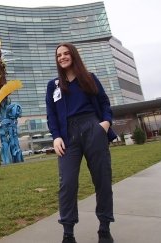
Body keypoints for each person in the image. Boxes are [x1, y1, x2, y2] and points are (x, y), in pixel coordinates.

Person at [46, 42, 115, 243]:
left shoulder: (89, 78)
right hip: (67, 135)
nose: (62, 57)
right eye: (59, 55)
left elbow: (104, 102)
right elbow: (51, 114)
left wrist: (104, 124)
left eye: (66, 53)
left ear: (73, 55)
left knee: (102, 179)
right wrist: (56, 136)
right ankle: (68, 233)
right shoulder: (54, 85)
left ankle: (104, 228)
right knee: (67, 183)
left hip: (93, 128)